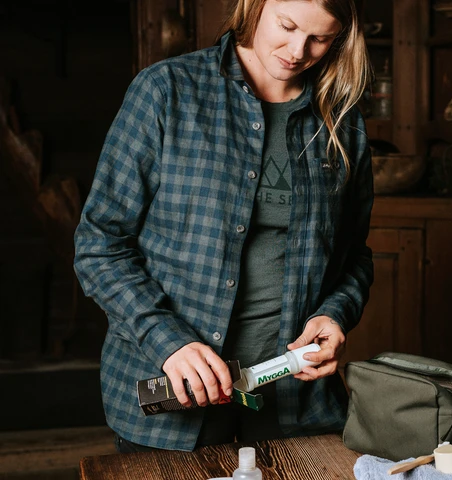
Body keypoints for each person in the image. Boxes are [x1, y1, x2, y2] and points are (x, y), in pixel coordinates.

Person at [73, 0, 373, 452]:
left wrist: (335, 312)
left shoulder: (343, 123)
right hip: (173, 397)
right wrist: (167, 342)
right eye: (287, 26)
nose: (297, 50)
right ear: (255, 6)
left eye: (320, 39)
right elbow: (99, 245)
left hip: (296, 405)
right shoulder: (165, 91)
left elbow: (354, 257)